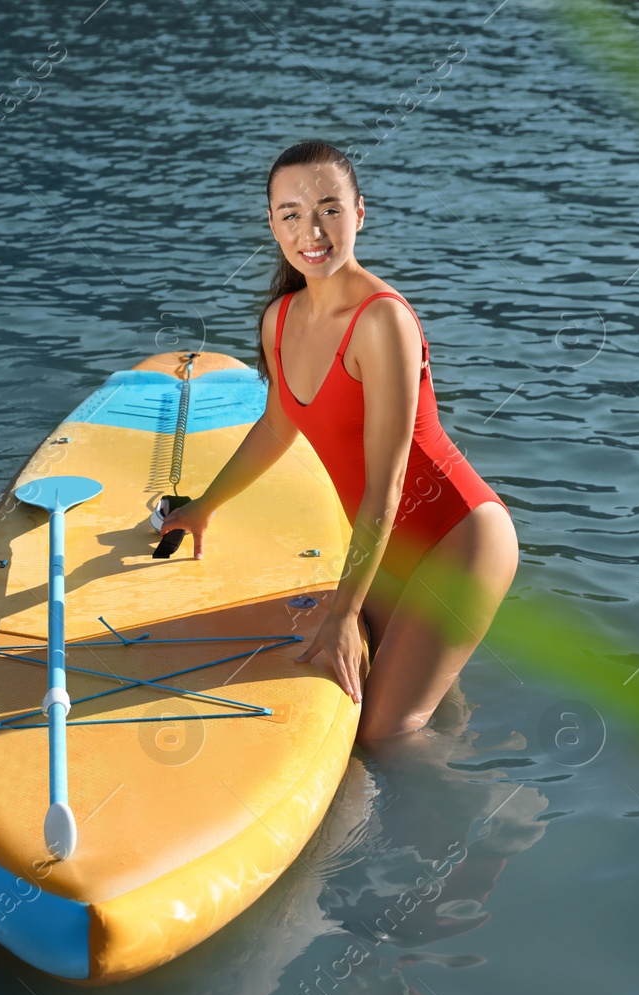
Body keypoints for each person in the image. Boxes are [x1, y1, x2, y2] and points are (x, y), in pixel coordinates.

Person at [162, 139, 518, 745]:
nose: (312, 230)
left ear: (359, 213)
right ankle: (461, 724)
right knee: (392, 687)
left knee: (385, 734)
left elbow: (388, 484)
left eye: (329, 208)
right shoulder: (280, 318)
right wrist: (203, 508)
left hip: (459, 538)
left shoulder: (381, 321)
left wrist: (345, 612)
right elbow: (276, 428)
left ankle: (477, 823)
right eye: (291, 213)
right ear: (271, 223)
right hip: (388, 550)